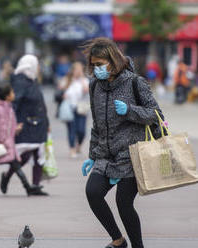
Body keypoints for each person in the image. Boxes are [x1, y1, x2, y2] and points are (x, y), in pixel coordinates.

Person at [81, 37, 164, 248]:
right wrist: (92, 155)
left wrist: (130, 111)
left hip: (131, 156)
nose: (96, 69)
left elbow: (156, 115)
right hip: (106, 156)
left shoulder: (135, 82)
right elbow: (97, 123)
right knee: (93, 193)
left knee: (123, 203)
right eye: (93, 65)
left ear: (112, 60)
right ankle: (118, 240)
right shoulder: (94, 87)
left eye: (99, 64)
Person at [0, 84, 41, 197]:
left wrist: (16, 129)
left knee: (14, 165)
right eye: (12, 93)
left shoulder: (9, 108)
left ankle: (27, 187)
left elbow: (7, 127)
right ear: (7, 96)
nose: (14, 95)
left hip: (8, 144)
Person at [0, 54, 49, 196]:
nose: (39, 68)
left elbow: (40, 103)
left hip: (39, 124)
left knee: (39, 155)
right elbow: (14, 104)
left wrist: (47, 122)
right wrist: (12, 124)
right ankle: (7, 176)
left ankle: (35, 185)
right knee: (24, 156)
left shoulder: (32, 80)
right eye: (37, 65)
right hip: (25, 124)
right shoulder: (20, 82)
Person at [59, 62, 89, 158]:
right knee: (71, 130)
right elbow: (59, 89)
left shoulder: (85, 80)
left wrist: (81, 79)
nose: (78, 72)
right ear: (72, 70)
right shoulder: (67, 80)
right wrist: (63, 93)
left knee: (81, 131)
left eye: (80, 70)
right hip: (69, 108)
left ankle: (78, 146)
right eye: (76, 70)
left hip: (81, 107)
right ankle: (72, 150)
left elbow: (86, 90)